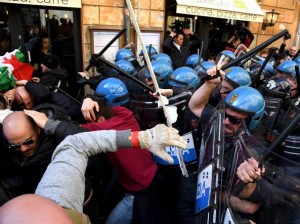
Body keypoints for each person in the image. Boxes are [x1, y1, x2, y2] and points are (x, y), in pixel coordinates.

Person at [0, 124, 187, 223]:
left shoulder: (55, 198)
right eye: (16, 146)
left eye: (28, 142)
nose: (23, 149)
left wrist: (144, 137)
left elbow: (76, 143)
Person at [80, 96, 165, 224]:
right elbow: (109, 108)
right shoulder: (125, 113)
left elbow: (72, 130)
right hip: (151, 172)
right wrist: (89, 100)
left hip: (139, 189)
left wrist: (86, 99)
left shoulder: (101, 129)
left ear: (101, 120)